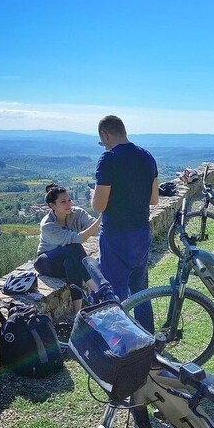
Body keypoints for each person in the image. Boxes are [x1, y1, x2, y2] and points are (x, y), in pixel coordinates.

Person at [91, 115, 159, 330]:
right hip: (141, 232)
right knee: (141, 292)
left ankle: (121, 345)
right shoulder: (147, 156)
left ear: (106, 135)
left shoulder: (109, 159)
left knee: (114, 294)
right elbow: (154, 199)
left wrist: (95, 194)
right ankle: (149, 341)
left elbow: (99, 206)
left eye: (102, 142)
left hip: (116, 234)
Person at [35, 184, 101, 312]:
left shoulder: (77, 213)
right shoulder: (48, 225)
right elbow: (78, 239)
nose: (69, 204)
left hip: (67, 259)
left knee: (71, 264)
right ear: (52, 206)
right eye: (63, 202)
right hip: (47, 262)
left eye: (69, 200)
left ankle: (78, 311)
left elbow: (96, 228)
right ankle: (96, 290)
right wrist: (100, 219)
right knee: (74, 246)